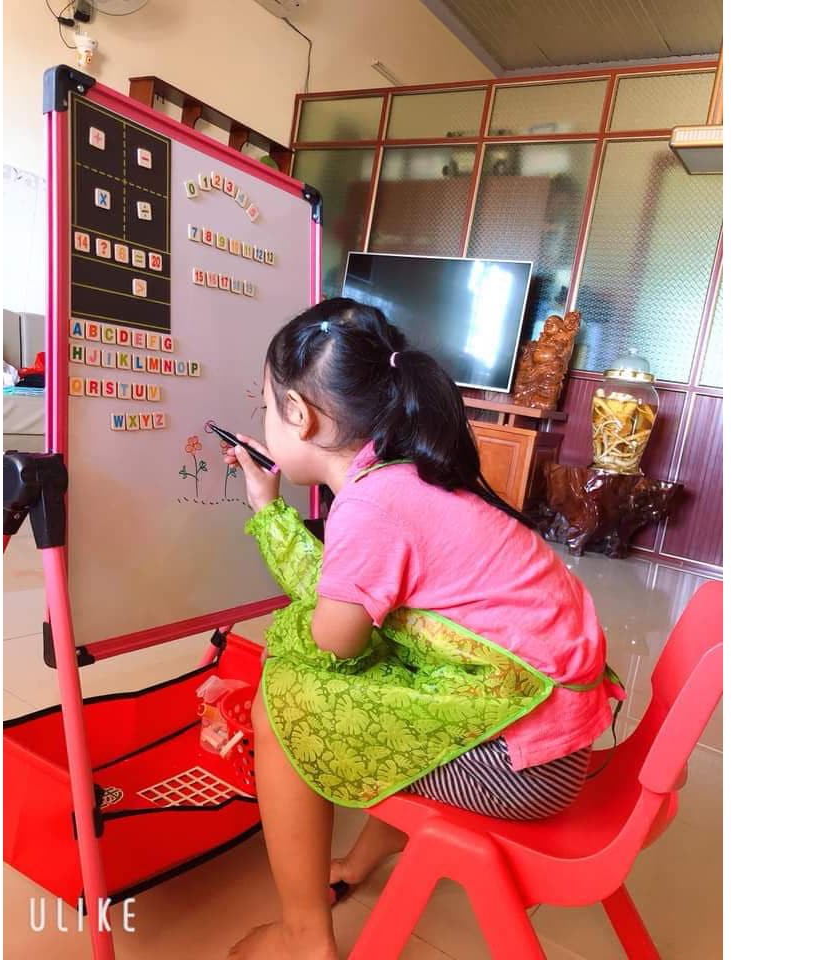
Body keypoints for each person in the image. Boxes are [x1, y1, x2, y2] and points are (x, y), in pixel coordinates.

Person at [224, 298, 623, 960]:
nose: (264, 418)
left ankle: (303, 937)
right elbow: (346, 595)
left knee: (280, 708)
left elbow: (336, 638)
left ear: (299, 414)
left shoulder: (370, 506)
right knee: (391, 683)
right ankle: (360, 862)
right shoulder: (404, 477)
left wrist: (298, 608)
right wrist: (267, 507)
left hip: (524, 764)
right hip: (553, 735)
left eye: (265, 405)